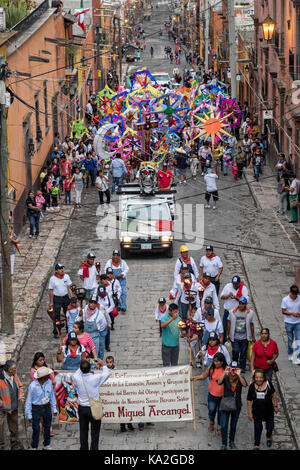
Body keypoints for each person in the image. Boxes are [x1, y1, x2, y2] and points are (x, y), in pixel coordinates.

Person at [72, 359, 111, 450]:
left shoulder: (76, 378)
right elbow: (107, 374)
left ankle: (84, 448)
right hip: (94, 407)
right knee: (95, 431)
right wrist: (103, 365)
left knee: (83, 431)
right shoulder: (95, 378)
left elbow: (78, 372)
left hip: (82, 408)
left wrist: (85, 363)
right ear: (90, 368)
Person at [191, 352, 226, 435]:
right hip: (212, 395)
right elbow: (203, 376)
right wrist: (195, 378)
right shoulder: (211, 368)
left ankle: (220, 427)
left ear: (222, 362)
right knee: (212, 410)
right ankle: (212, 422)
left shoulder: (226, 370)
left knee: (221, 412)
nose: (216, 363)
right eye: (215, 361)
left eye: (218, 361)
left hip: (222, 396)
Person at [25, 366, 57, 450]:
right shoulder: (33, 386)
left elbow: (52, 396)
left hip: (46, 407)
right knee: (36, 428)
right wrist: (29, 415)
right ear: (44, 377)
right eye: (48, 375)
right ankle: (34, 446)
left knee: (47, 426)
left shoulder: (49, 382)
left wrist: (54, 408)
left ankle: (47, 444)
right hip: (36, 408)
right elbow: (28, 401)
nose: (49, 376)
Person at [217, 362, 247, 450]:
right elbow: (219, 382)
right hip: (226, 404)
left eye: (235, 369)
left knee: (233, 425)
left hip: (237, 405)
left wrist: (239, 375)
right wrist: (224, 372)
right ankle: (224, 444)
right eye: (231, 369)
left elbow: (244, 384)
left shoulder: (240, 378)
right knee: (224, 425)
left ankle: (232, 442)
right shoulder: (226, 377)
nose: (233, 371)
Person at [247, 369, 279, 450]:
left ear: (264, 377)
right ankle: (256, 444)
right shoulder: (252, 386)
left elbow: (274, 394)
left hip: (269, 411)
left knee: (270, 427)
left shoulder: (268, 384)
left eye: (261, 377)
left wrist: (275, 405)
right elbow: (249, 400)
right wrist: (250, 412)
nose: (259, 379)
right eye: (257, 377)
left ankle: (268, 437)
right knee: (258, 428)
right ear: (254, 378)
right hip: (257, 412)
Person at [105, 356, 134, 433]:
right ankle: (122, 425)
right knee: (119, 410)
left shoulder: (117, 370)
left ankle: (129, 424)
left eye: (110, 362)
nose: (109, 364)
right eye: (107, 362)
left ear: (113, 362)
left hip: (119, 392)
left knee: (125, 408)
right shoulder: (104, 370)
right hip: (111, 393)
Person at [226, 297, 255, 373]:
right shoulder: (232, 312)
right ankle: (235, 365)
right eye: (240, 303)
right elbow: (229, 323)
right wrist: (227, 334)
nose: (241, 305)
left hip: (245, 337)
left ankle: (242, 367)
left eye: (243, 304)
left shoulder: (250, 313)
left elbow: (251, 325)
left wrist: (252, 336)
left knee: (243, 352)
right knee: (235, 351)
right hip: (235, 336)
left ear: (246, 304)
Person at [0, 360, 25, 450]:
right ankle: (1, 445)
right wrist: (2, 404)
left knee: (14, 425)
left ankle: (14, 443)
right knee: (0, 427)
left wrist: (21, 397)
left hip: (13, 405)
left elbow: (20, 386)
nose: (16, 370)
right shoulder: (1, 378)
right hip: (2, 407)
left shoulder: (14, 375)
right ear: (9, 370)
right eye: (14, 369)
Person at [220, 276, 249, 343]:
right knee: (224, 327)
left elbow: (246, 301)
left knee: (237, 328)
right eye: (233, 284)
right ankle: (224, 343)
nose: (234, 285)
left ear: (239, 283)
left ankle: (235, 342)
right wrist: (228, 296)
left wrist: (237, 298)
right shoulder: (228, 286)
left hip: (237, 313)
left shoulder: (243, 289)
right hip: (228, 311)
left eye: (236, 284)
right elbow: (222, 296)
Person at [81, 295, 111, 360]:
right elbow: (77, 322)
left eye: (94, 303)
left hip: (95, 337)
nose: (92, 304)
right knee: (83, 354)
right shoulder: (83, 312)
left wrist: (97, 331)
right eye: (91, 302)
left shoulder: (99, 314)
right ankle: (85, 366)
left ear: (96, 304)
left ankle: (94, 367)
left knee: (95, 355)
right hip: (84, 336)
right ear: (88, 302)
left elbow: (103, 325)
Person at [49, 263, 72, 338]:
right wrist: (51, 302)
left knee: (68, 314)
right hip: (57, 298)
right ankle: (56, 331)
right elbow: (51, 291)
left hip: (65, 297)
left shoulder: (66, 276)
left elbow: (69, 288)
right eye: (60, 268)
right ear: (56, 271)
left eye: (62, 268)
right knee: (56, 315)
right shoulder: (52, 279)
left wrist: (71, 298)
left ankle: (68, 329)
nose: (62, 270)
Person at [281, 284, 300, 363]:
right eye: (293, 293)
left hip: (298, 322)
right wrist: (292, 313)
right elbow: (283, 311)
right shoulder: (285, 300)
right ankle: (290, 354)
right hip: (288, 323)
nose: (295, 295)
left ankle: (298, 356)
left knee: (298, 339)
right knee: (290, 339)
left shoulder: (299, 299)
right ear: (290, 292)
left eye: (296, 293)